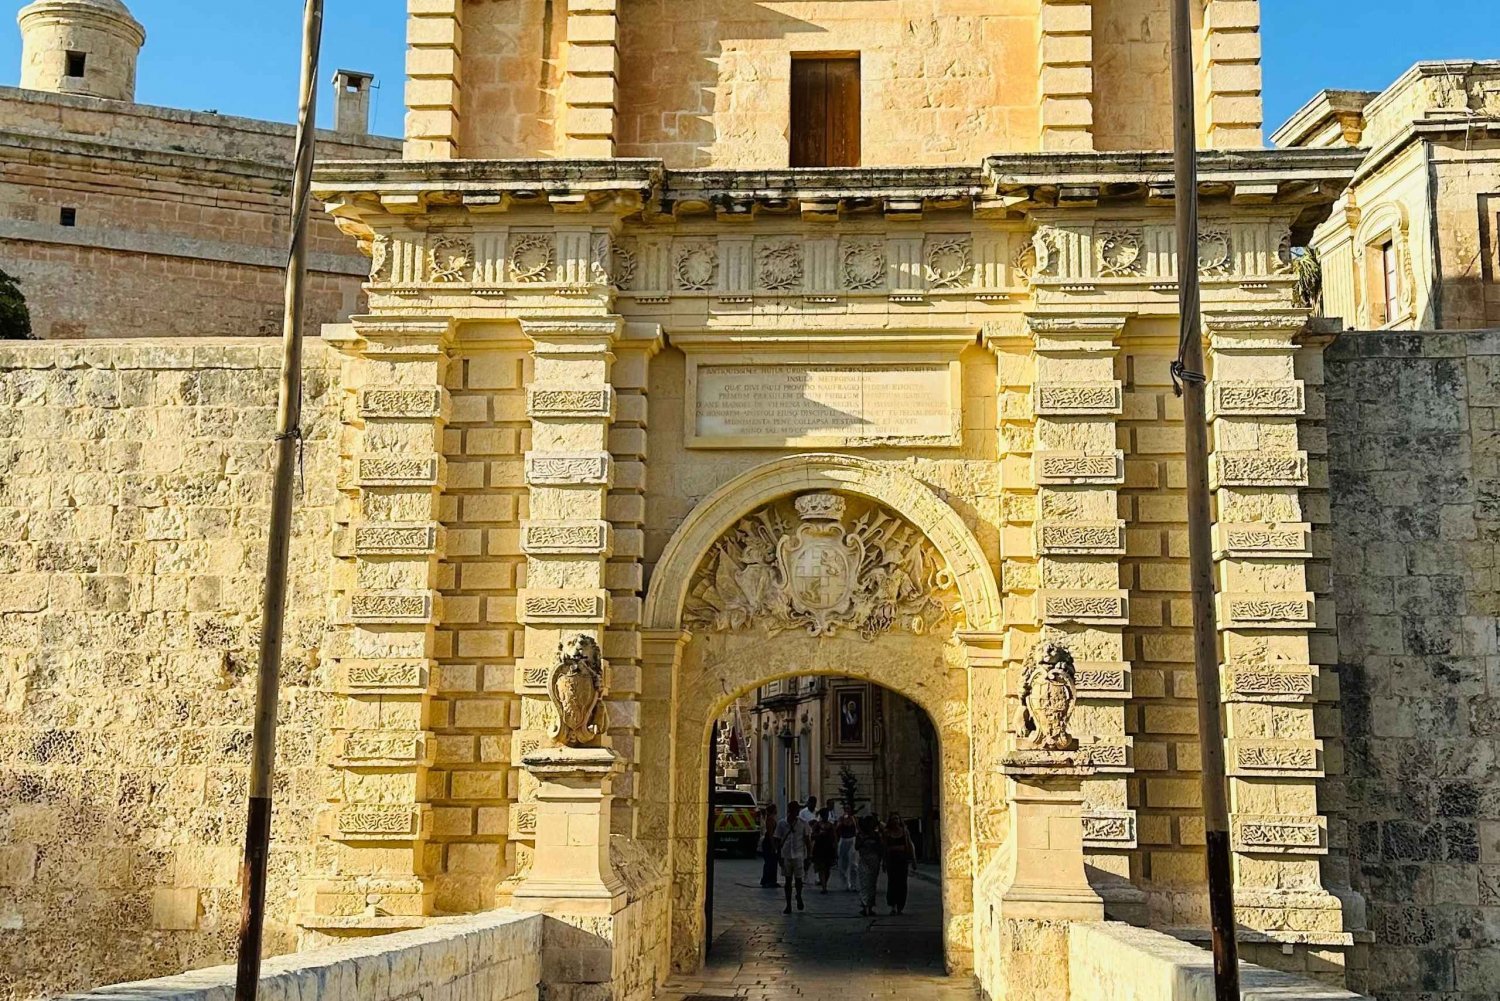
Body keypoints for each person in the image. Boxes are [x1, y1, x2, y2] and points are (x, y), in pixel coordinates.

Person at [774, 799, 812, 913]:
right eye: (792, 811)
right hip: (786, 855)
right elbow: (777, 839)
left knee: (799, 879)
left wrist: (809, 856)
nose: (794, 813)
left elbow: (807, 841)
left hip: (799, 855)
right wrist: (779, 855)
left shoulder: (803, 823)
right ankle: (788, 904)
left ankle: (799, 895)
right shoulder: (782, 823)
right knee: (788, 880)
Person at [882, 812, 916, 916]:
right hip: (891, 860)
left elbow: (910, 844)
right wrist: (884, 862)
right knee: (892, 882)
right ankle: (893, 905)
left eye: (897, 819)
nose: (895, 821)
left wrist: (913, 859)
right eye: (893, 819)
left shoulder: (904, 832)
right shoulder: (887, 832)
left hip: (902, 860)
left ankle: (900, 905)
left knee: (902, 883)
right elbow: (884, 847)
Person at [854, 814, 883, 917]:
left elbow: (881, 848)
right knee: (864, 883)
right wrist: (864, 839)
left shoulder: (876, 835)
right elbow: (856, 846)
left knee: (871, 884)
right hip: (863, 860)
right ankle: (865, 905)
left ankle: (869, 906)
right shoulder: (860, 835)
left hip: (874, 860)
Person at [811, 807, 838, 892]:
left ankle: (824, 882)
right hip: (819, 848)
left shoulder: (831, 825)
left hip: (828, 848)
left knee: (827, 868)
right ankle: (823, 886)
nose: (826, 816)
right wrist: (818, 834)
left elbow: (835, 837)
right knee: (821, 867)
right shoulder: (817, 825)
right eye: (824, 815)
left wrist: (836, 848)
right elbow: (812, 836)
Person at [835, 804, 858, 892]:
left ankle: (853, 884)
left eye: (849, 809)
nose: (847, 810)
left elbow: (857, 830)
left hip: (852, 839)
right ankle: (845, 883)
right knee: (843, 863)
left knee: (853, 863)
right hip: (843, 839)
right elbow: (837, 829)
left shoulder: (854, 819)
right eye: (846, 809)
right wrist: (841, 823)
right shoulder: (841, 819)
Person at [759, 804, 781, 888]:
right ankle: (768, 880)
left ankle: (771, 880)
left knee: (772, 862)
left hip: (770, 842)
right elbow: (771, 834)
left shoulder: (771, 819)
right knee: (770, 862)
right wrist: (773, 846)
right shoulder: (770, 820)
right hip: (769, 842)